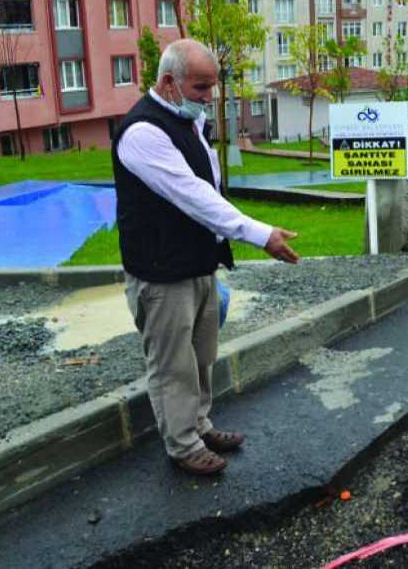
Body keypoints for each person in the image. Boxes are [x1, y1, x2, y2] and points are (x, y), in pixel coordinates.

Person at [113, 39, 300, 475]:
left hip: (196, 265)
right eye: (200, 87)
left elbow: (209, 185)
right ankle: (182, 445)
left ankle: (198, 424)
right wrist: (258, 234)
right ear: (168, 83)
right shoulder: (143, 132)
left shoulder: (187, 120)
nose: (208, 98)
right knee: (172, 365)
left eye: (211, 87)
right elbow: (194, 196)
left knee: (200, 357)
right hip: (161, 274)